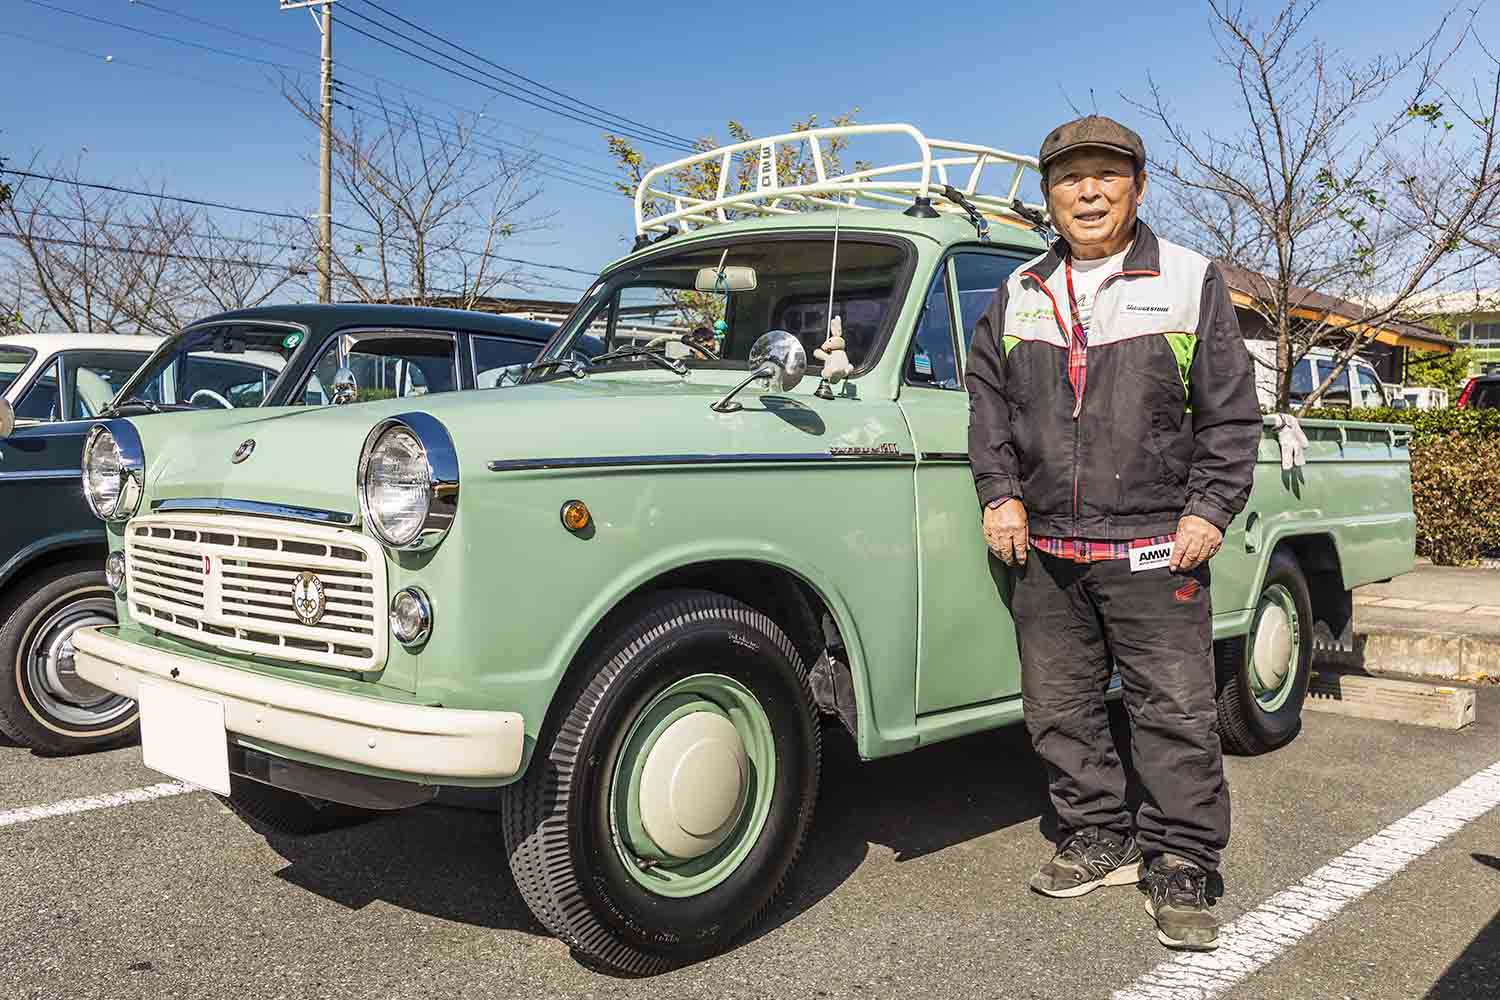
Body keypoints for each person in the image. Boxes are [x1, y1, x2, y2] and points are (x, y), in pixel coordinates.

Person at [965, 115, 1261, 951]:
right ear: (1049, 195)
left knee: (1174, 710)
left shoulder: (1189, 278)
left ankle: (1183, 858)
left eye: (1106, 175)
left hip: (1156, 542)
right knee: (1059, 707)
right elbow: (987, 403)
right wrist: (999, 493)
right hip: (1046, 546)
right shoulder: (1020, 289)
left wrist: (1209, 508)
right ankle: (1098, 832)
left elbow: (1231, 410)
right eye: (1070, 178)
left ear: (1139, 186)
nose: (1088, 192)